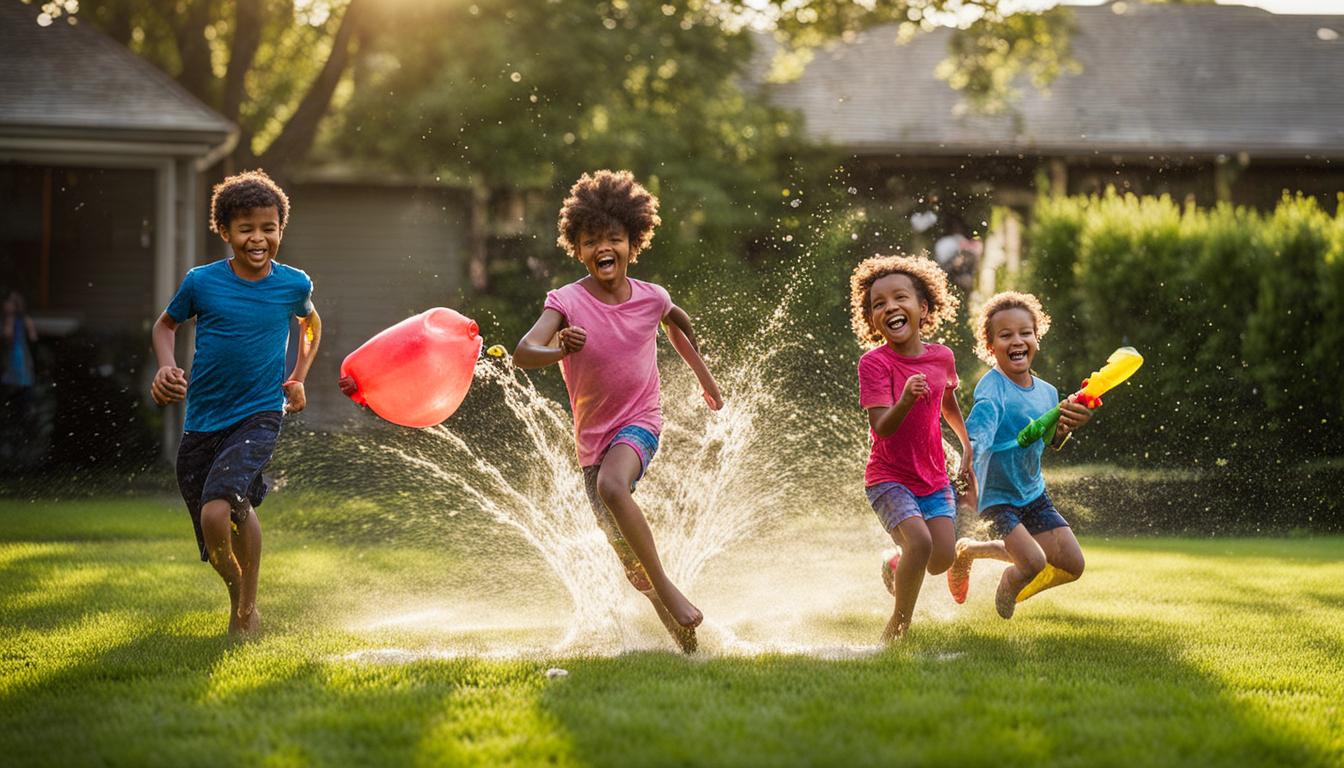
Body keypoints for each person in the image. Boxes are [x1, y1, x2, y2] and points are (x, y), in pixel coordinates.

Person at [513, 170, 723, 653]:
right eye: (591, 242)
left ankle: (670, 588)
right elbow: (526, 351)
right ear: (578, 249)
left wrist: (706, 379)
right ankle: (684, 642)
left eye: (614, 238)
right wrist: (560, 350)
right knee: (630, 565)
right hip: (592, 442)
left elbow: (678, 327)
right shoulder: (566, 302)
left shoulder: (653, 297)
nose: (603, 248)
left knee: (613, 486)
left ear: (633, 241)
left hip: (640, 422)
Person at [150, 170, 321, 636]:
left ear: (280, 230)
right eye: (246, 228)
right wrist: (165, 366)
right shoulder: (201, 283)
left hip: (261, 413)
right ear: (225, 232)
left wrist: (299, 378)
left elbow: (310, 325)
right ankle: (238, 593)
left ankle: (245, 608)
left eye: (269, 227)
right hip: (203, 421)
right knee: (222, 520)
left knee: (216, 510)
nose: (258, 238)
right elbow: (165, 326)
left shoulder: (293, 284)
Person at [850, 253, 975, 642]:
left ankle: (894, 564)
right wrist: (904, 400)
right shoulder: (874, 364)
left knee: (941, 559)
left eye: (899, 298)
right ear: (871, 320)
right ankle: (897, 628)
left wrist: (966, 447)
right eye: (878, 304)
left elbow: (946, 399)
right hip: (888, 478)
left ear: (923, 308)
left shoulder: (942, 357)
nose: (890, 307)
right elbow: (882, 428)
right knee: (919, 542)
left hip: (934, 479)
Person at [945, 291, 1093, 618]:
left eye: (1025, 332)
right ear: (991, 346)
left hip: (1032, 493)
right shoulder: (992, 387)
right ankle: (1011, 578)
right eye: (1006, 334)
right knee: (1032, 561)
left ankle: (969, 551)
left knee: (1072, 563)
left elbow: (1051, 439)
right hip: (995, 497)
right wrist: (968, 458)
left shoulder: (1048, 393)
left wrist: (1065, 428)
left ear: (1036, 339)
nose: (1017, 340)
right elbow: (979, 430)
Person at [2, 290, 38, 390]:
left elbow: (7, 334)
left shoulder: (12, 318)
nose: (6, 306)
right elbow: (33, 336)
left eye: (9, 303)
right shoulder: (23, 318)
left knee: (18, 372)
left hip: (16, 350)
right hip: (20, 349)